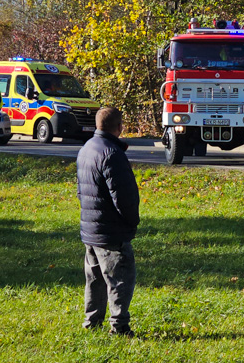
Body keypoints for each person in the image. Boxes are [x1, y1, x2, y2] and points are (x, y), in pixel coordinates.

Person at [76, 107, 140, 336]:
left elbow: (80, 191)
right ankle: (119, 326)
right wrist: (132, 222)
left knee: (95, 280)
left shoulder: (86, 149)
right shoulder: (112, 153)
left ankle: (91, 323)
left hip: (91, 228)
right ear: (119, 126)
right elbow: (124, 197)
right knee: (120, 280)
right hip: (111, 232)